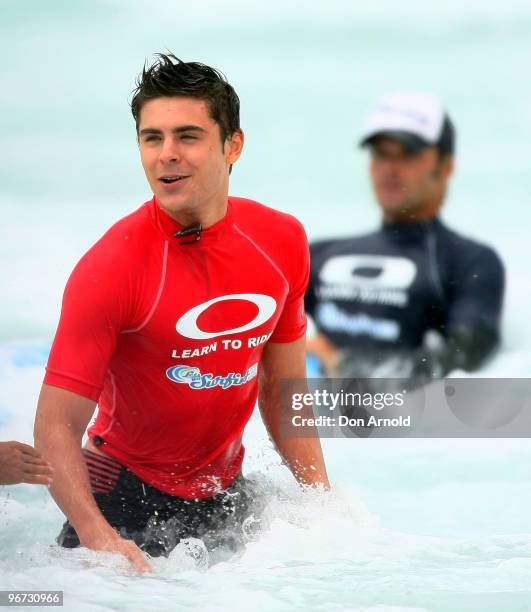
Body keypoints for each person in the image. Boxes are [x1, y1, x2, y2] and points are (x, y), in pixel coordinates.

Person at [33, 53, 329, 573]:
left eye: (187, 136)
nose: (166, 154)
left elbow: (284, 390)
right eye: (153, 138)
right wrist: (97, 537)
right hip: (119, 499)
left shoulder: (281, 241)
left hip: (224, 494)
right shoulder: (112, 267)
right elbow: (56, 425)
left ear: (232, 144)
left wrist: (322, 503)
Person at [305, 91, 504, 390]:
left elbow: (463, 357)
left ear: (445, 166)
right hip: (307, 415)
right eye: (381, 153)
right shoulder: (318, 253)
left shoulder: (469, 261)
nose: (390, 168)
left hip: (391, 427)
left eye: (407, 154)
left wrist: (341, 364)